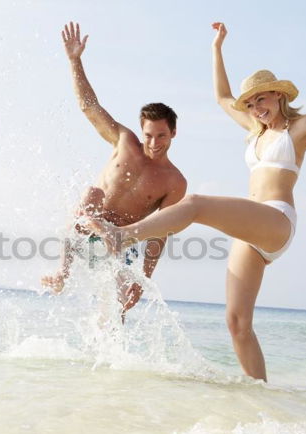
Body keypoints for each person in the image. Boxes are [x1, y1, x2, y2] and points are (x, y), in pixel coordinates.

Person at [88, 22, 306, 381]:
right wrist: (217, 48)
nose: (255, 108)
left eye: (260, 100)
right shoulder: (255, 131)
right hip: (250, 233)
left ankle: (122, 235)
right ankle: (261, 397)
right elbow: (222, 98)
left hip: (276, 219)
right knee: (236, 323)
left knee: (196, 203)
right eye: (250, 104)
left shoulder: (303, 127)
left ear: (278, 95)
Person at [41, 22, 187, 319]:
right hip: (84, 230)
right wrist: (74, 61)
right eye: (148, 135)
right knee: (92, 192)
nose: (153, 142)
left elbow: (160, 234)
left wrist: (144, 279)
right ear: (141, 131)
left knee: (114, 312)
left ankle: (113, 358)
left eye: (161, 135)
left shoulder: (174, 182)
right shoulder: (124, 141)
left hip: (121, 242)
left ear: (173, 133)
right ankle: (62, 274)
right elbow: (89, 106)